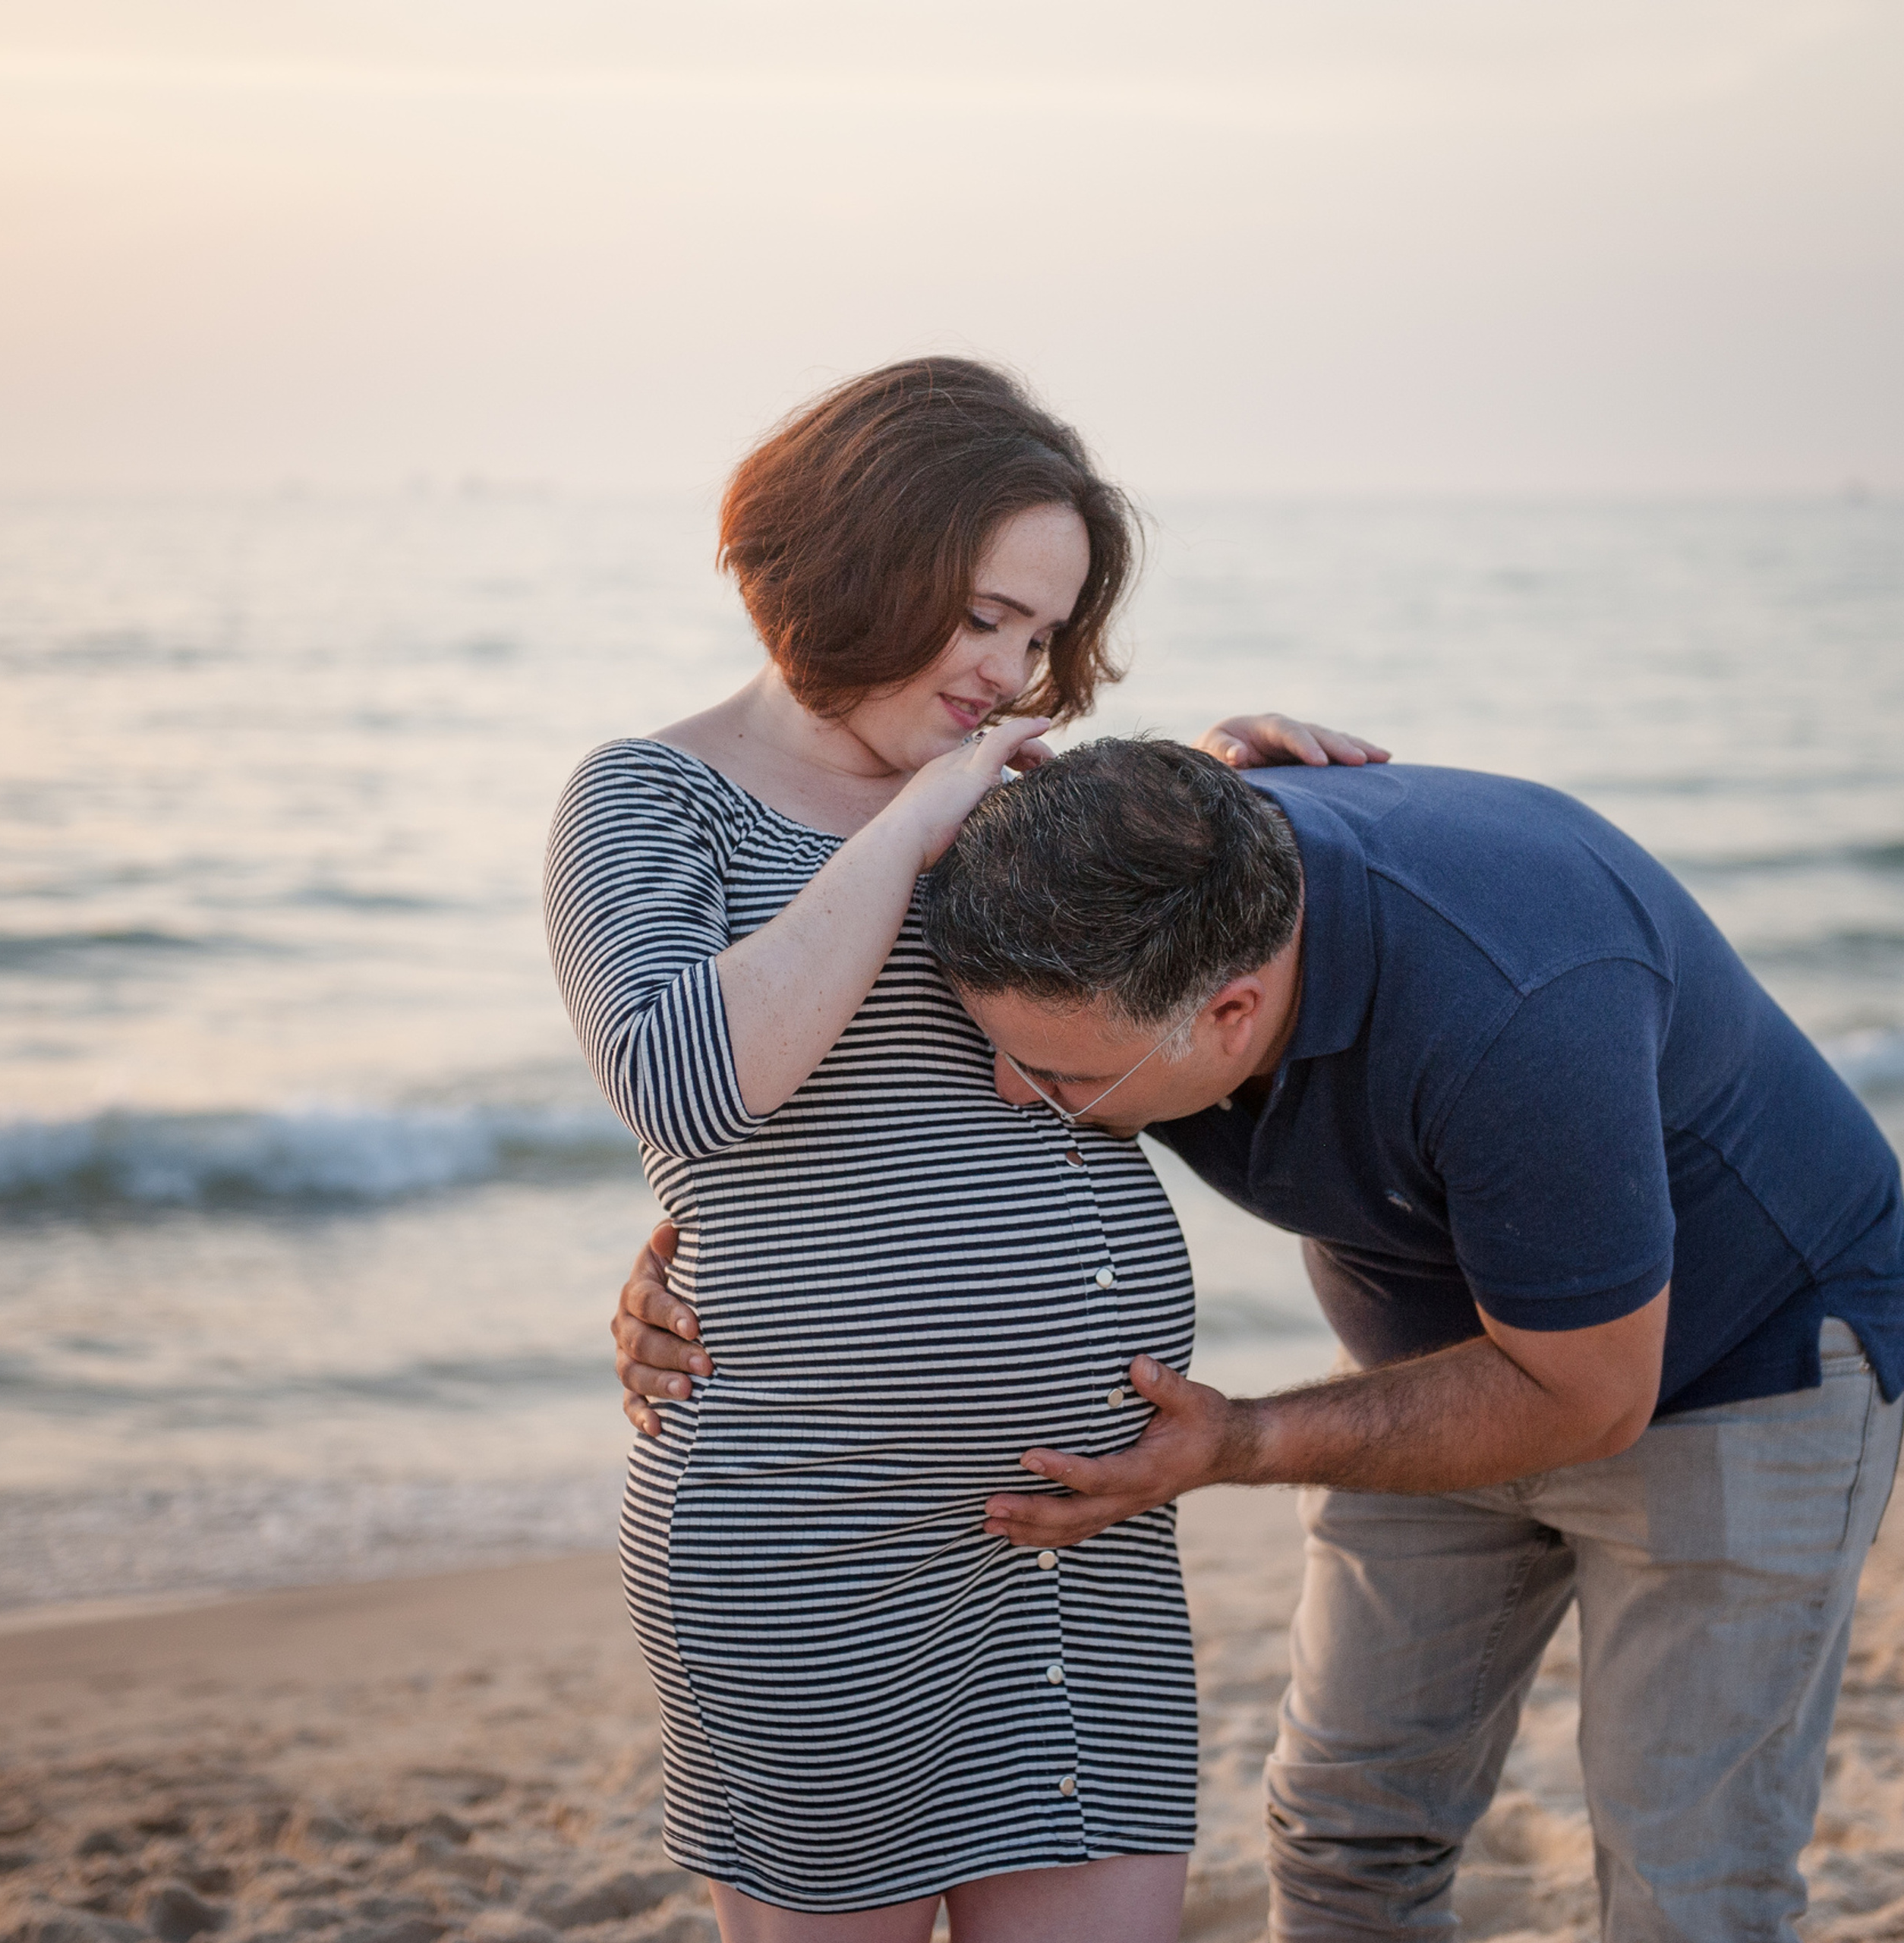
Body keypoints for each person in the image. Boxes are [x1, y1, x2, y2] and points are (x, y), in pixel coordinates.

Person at [617, 735, 1904, 1941]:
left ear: (1231, 1015)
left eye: (1061, 1085)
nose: (1015, 1096)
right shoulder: (1143, 880)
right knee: (1346, 1830)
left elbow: (1586, 1395)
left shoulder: (1521, 1002)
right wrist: (696, 1273)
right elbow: (877, 1132)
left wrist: (1244, 1440)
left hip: (1744, 1364)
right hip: (1432, 1363)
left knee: (1689, 1873)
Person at [546, 359, 1385, 1942]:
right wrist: (913, 819)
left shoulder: (1015, 803)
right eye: (982, 615)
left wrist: (1228, 807)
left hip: (1081, 1537)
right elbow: (689, 1084)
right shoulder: (652, 797)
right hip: (811, 1549)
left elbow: (1188, 1010)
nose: (1011, 671)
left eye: (1041, 636)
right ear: (858, 562)